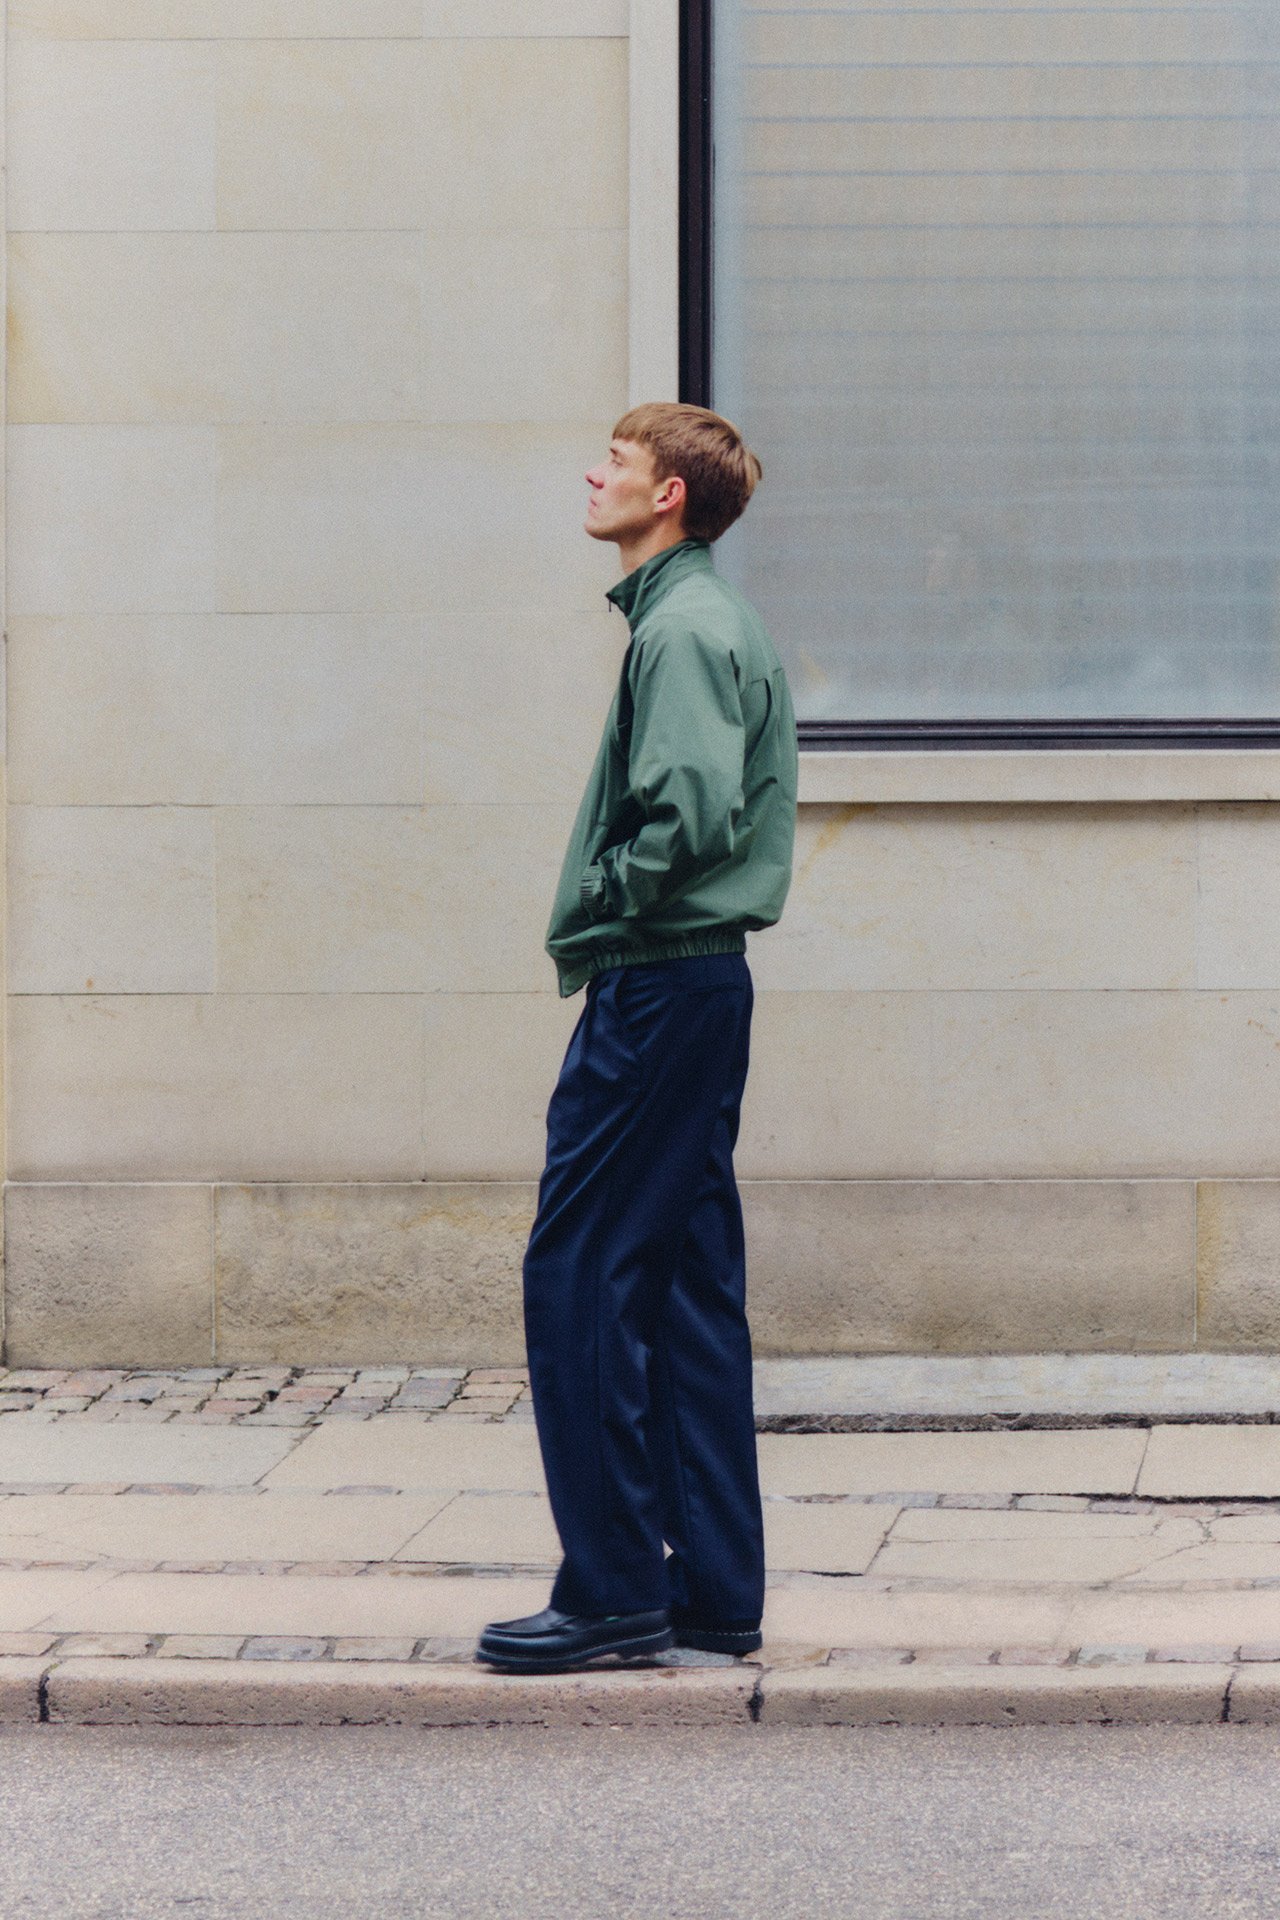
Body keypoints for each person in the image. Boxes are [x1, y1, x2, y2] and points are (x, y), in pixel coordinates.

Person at [475, 402, 798, 1675]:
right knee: (681, 1283)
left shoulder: (681, 628)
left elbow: (687, 815)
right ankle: (712, 1589)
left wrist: (605, 892)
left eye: (615, 460)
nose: (592, 473)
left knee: (579, 1273)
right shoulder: (698, 618)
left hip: (659, 982)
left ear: (667, 495)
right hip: (696, 985)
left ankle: (612, 1590)